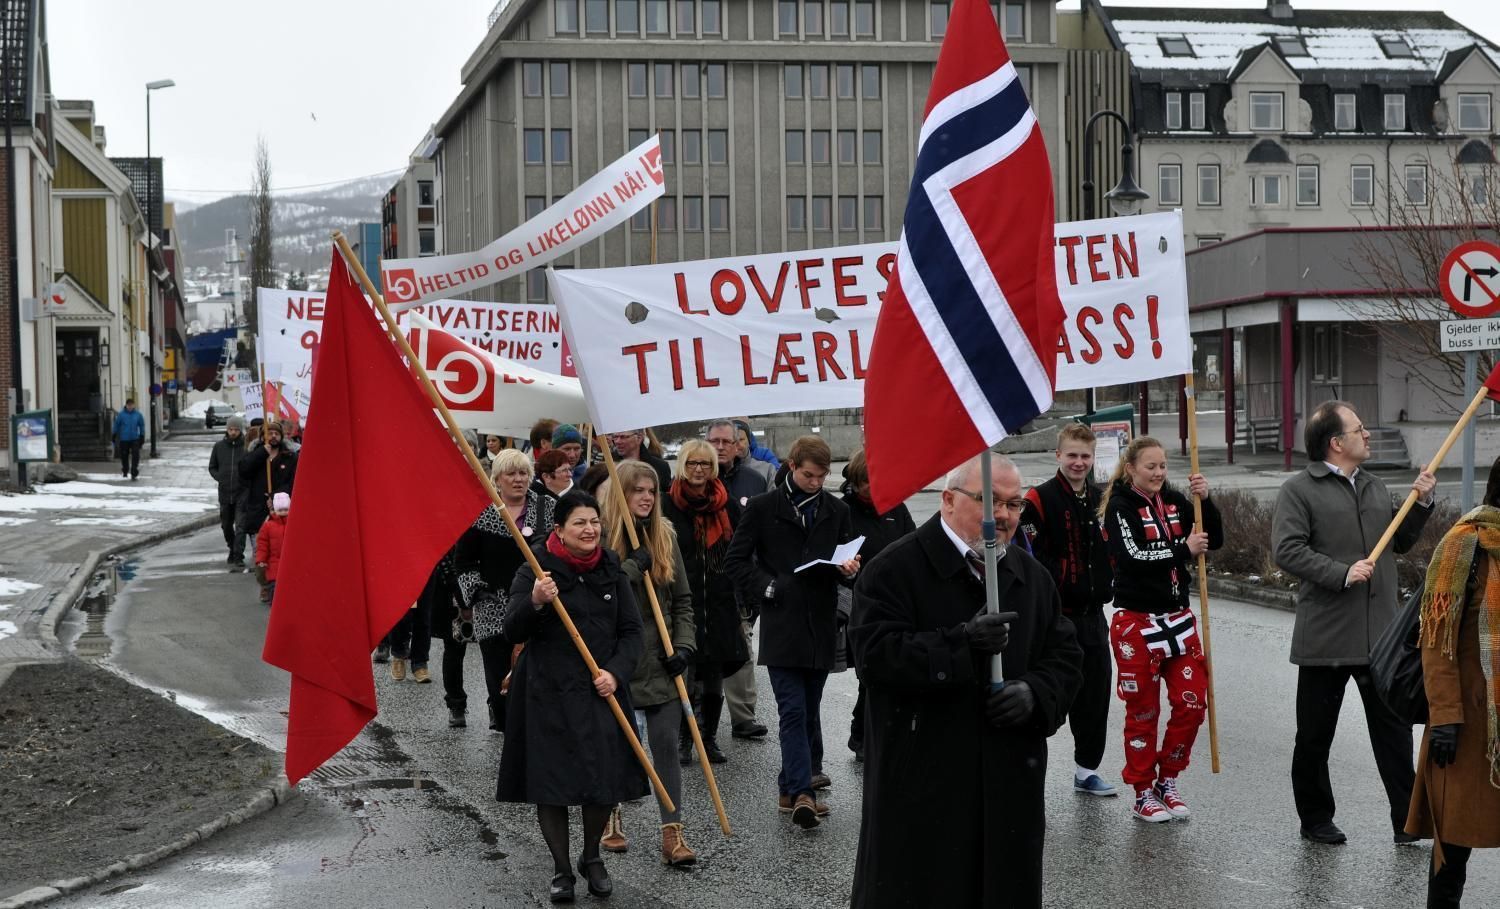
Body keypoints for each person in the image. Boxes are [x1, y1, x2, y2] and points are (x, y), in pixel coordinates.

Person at [848, 454, 1082, 908]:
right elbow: (874, 655)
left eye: (1014, 505)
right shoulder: (894, 569)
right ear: (949, 500)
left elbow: (1066, 656)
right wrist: (960, 645)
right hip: (923, 781)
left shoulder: (1030, 577)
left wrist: (1035, 693)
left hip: (1008, 781)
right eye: (989, 501)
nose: (1004, 516)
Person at [1271, 400, 1436, 845]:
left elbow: (1398, 542)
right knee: (1314, 736)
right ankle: (1315, 818)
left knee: (1394, 734)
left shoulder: (1373, 485)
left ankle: (1408, 820)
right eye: (1359, 429)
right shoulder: (1299, 490)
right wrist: (1341, 573)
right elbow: (1287, 550)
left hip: (1380, 638)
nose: (1367, 434)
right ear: (1335, 443)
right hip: (1326, 637)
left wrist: (1421, 502)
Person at [501, 491, 647, 902]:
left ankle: (591, 856)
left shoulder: (612, 569)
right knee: (552, 783)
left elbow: (632, 632)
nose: (589, 530)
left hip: (600, 689)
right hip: (546, 691)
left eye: (594, 522)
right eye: (580, 523)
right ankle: (562, 869)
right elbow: (512, 629)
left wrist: (616, 673)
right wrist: (535, 601)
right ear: (560, 530)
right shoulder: (535, 568)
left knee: (602, 779)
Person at [724, 435, 859, 828]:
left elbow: (849, 560)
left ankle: (788, 788)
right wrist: (770, 587)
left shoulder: (836, 509)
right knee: (793, 711)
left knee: (808, 710)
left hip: (821, 624)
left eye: (822, 476)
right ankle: (802, 793)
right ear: (792, 465)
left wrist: (849, 569)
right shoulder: (764, 507)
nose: (815, 483)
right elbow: (736, 561)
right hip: (782, 622)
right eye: (808, 475)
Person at [1099, 435, 1223, 822]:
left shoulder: (1174, 501)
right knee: (1143, 711)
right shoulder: (1119, 506)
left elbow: (1213, 539)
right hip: (1136, 621)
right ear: (1131, 468)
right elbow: (1131, 555)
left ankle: (1167, 780)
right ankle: (1141, 790)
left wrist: (1206, 501)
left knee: (1193, 703)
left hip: (1178, 618)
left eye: (1163, 466)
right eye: (1150, 466)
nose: (1158, 473)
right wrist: (1184, 549)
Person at [1406, 460, 1500, 908]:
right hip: (1468, 724)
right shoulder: (1464, 545)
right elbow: (1436, 640)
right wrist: (1444, 716)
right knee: (1453, 845)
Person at [599, 459, 698, 865]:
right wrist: (630, 567)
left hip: (661, 657)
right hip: (616, 659)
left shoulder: (665, 535)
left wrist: (684, 646)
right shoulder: (598, 536)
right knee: (616, 744)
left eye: (651, 491)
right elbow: (600, 598)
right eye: (637, 490)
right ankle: (610, 817)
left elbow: (683, 602)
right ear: (621, 494)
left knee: (666, 745)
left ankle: (672, 833)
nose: (646, 498)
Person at [1020, 422, 1117, 796]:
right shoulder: (1038, 499)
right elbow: (1029, 555)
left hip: (1093, 616)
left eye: (1085, 456)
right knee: (1046, 694)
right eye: (1072, 455)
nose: (1079, 463)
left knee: (1095, 696)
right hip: (1055, 617)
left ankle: (1086, 770)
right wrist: (1058, 582)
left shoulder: (1102, 497)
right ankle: (1026, 766)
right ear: (1058, 455)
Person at [455, 449, 557, 732]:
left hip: (538, 605)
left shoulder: (548, 507)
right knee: (499, 680)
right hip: (493, 608)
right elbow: (463, 561)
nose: (518, 479)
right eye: (511, 473)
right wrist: (476, 592)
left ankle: (530, 736)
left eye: (523, 473)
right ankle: (503, 720)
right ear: (497, 479)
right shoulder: (480, 512)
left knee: (536, 678)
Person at [662, 439, 749, 765]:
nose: (698, 469)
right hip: (682, 601)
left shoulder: (727, 505)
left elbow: (741, 551)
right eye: (692, 463)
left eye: (705, 464)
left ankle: (708, 738)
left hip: (719, 601)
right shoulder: (667, 505)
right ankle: (685, 738)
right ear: (682, 466)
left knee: (714, 673)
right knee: (685, 671)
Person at [837, 449, 916, 763]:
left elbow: (913, 544)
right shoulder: (843, 511)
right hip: (860, 604)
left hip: (896, 602)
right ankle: (863, 734)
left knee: (886, 673)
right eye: (865, 482)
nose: (871, 487)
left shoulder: (896, 507)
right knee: (870, 673)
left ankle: (867, 733)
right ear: (855, 482)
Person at [705, 418, 772, 741]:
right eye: (714, 442)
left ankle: (743, 717)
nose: (720, 448)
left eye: (726, 442)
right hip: (706, 577)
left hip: (742, 578)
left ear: (737, 445)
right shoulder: (694, 478)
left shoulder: (753, 480)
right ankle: (700, 724)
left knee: (741, 645)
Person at [208, 415, 249, 570]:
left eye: (236, 430)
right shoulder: (219, 447)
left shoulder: (246, 447)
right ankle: (232, 547)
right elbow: (212, 467)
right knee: (226, 525)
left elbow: (251, 466)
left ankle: (238, 555)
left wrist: (246, 481)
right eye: (231, 429)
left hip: (241, 492)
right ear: (227, 430)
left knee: (240, 526)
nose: (233, 432)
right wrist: (220, 477)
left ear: (240, 430)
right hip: (225, 492)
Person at [255, 492, 291, 607]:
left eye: (286, 510)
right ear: (275, 510)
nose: (283, 512)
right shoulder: (268, 526)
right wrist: (261, 560)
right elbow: (262, 545)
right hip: (273, 564)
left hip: (291, 564)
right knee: (274, 589)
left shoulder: (294, 524)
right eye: (280, 510)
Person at [112, 398, 146, 480]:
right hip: (124, 439)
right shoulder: (121, 415)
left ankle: (134, 471)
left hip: (135, 438)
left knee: (135, 455)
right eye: (128, 405)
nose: (130, 407)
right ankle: (125, 469)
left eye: (131, 405)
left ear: (134, 405)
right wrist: (114, 434)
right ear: (126, 405)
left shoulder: (138, 415)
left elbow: (141, 425)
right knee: (124, 455)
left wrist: (142, 435)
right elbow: (116, 424)